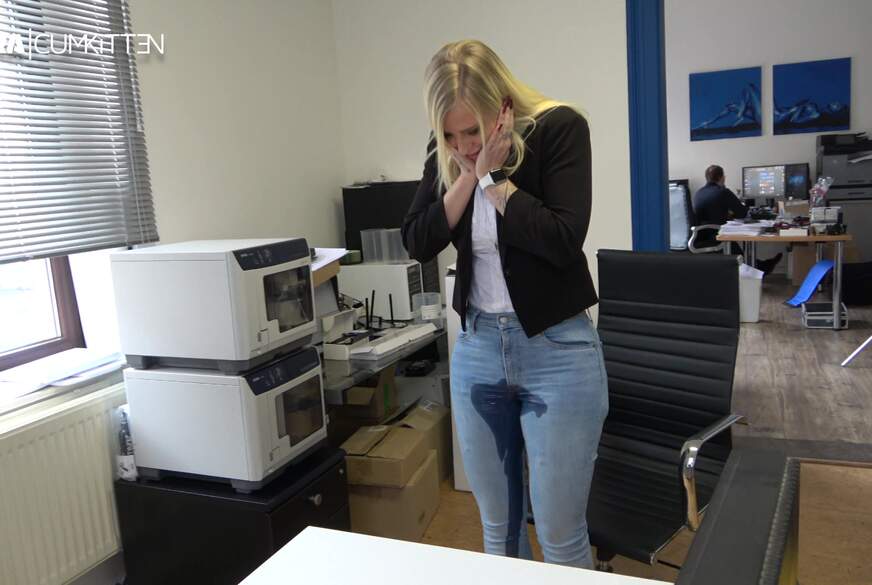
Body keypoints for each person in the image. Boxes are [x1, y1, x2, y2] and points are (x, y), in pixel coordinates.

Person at [401, 40, 607, 569]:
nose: (463, 145)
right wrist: (467, 175)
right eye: (450, 135)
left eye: (473, 131)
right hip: (478, 350)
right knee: (500, 529)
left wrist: (494, 179)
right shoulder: (448, 153)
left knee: (560, 534)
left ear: (502, 107)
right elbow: (418, 239)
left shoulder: (559, 129)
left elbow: (562, 239)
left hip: (557, 350)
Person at [693, 164, 782, 273]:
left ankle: (761, 266)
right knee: (737, 253)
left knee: (737, 250)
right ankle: (761, 268)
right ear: (722, 177)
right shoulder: (723, 191)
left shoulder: (698, 193)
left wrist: (728, 214)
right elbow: (742, 213)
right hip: (718, 235)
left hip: (702, 235)